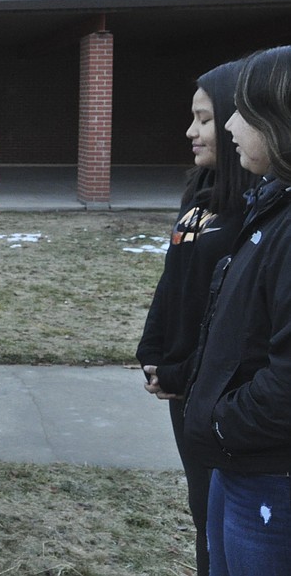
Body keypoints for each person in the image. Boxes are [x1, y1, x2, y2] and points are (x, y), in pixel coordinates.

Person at [136, 59, 256, 576]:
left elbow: (230, 313)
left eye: (205, 119)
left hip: (215, 388)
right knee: (202, 509)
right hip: (182, 382)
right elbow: (175, 281)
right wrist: (154, 352)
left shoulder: (253, 211)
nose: (193, 131)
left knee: (224, 517)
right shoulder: (201, 195)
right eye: (194, 118)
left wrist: (188, 371)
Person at [184, 45, 291, 575]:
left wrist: (223, 422)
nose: (227, 123)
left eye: (242, 111)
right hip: (239, 464)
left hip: (269, 473)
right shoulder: (272, 206)